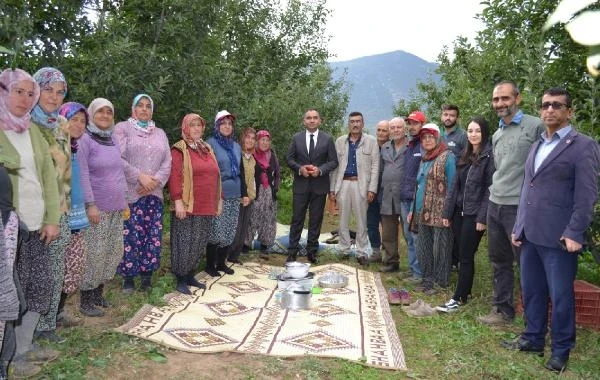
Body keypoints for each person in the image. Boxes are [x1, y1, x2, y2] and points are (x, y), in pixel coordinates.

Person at [506, 88, 600, 372]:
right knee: (532, 291)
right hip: (530, 233)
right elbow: (527, 189)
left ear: (569, 112)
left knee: (560, 296)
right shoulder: (537, 144)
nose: (549, 110)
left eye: (557, 105)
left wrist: (574, 231)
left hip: (560, 238)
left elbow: (587, 195)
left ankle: (561, 349)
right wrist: (518, 225)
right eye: (545, 105)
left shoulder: (583, 146)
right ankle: (533, 338)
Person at [0, 68, 60, 378]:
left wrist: (52, 218)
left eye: (29, 93)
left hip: (38, 226)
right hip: (9, 230)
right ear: (4, 91)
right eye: (17, 92)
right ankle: (11, 358)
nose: (24, 99)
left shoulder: (31, 130)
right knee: (12, 294)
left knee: (40, 287)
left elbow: (48, 177)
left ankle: (25, 348)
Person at [477, 81, 545, 326]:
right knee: (499, 260)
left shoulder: (535, 126)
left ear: (518, 98)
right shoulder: (497, 134)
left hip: (520, 206)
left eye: (505, 98)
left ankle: (534, 317)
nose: (500, 104)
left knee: (527, 262)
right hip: (496, 202)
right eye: (496, 100)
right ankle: (502, 310)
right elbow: (500, 169)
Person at [114, 94, 171, 294]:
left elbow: (167, 162)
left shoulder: (160, 133)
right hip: (131, 192)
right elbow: (117, 158)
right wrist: (140, 177)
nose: (144, 109)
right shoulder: (122, 129)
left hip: (154, 193)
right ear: (133, 109)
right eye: (140, 106)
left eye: (148, 106)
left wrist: (153, 182)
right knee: (130, 235)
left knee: (152, 234)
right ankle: (128, 278)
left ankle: (146, 277)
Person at [30, 67, 71, 344]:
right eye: (48, 90)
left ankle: (46, 324)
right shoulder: (23, 123)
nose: (54, 97)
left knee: (56, 270)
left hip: (61, 209)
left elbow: (66, 171)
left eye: (60, 92)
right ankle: (25, 332)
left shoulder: (62, 125)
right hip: (33, 212)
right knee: (32, 274)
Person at [437, 117, 494, 312]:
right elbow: (455, 186)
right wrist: (447, 211)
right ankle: (465, 292)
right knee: (462, 253)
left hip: (474, 214)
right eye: (470, 131)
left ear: (484, 133)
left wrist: (482, 217)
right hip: (458, 213)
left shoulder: (489, 156)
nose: (473, 134)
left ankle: (458, 298)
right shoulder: (465, 155)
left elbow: (489, 189)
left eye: (477, 130)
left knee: (466, 256)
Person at [78, 98, 127, 317]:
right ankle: (86, 300)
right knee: (94, 254)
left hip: (116, 207)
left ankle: (98, 294)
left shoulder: (114, 139)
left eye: (109, 111)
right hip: (97, 208)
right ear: (91, 114)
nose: (105, 115)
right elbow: (83, 174)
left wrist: (124, 201)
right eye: (100, 112)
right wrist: (90, 205)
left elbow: (118, 171)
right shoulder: (85, 140)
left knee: (111, 251)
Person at [169, 113, 221, 294]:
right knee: (184, 242)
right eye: (192, 125)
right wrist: (177, 201)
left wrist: (218, 200)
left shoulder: (206, 148)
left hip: (206, 204)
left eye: (199, 125)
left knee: (199, 241)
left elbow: (215, 175)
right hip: (188, 205)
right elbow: (175, 176)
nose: (197, 129)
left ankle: (190, 274)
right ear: (185, 128)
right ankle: (180, 278)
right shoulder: (179, 149)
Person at [408, 123, 456, 295]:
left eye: (431, 137)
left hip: (440, 212)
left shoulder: (447, 157)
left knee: (440, 248)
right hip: (422, 211)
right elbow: (418, 185)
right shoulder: (425, 158)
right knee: (424, 248)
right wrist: (412, 210)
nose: (427, 140)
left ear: (437, 138)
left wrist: (448, 212)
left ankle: (440, 283)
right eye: (424, 137)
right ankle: (427, 280)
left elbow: (452, 186)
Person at [286, 109, 338, 264]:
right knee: (297, 219)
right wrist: (300, 169)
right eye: (308, 118)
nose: (312, 120)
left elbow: (334, 161)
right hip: (301, 185)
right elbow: (289, 159)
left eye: (315, 118)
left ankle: (312, 251)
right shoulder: (297, 138)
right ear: (304, 121)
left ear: (320, 121)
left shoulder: (327, 139)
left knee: (315, 220)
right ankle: (292, 251)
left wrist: (320, 170)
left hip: (319, 186)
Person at [329, 111, 379, 266]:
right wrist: (332, 188)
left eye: (358, 121)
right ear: (348, 124)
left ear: (363, 124)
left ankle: (362, 251)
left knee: (361, 220)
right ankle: (343, 249)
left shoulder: (371, 141)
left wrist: (372, 189)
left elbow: (376, 166)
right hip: (343, 183)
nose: (355, 124)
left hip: (361, 184)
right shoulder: (340, 141)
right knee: (342, 219)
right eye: (352, 121)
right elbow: (335, 166)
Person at [56, 102, 90, 327]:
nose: (78, 124)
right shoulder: (56, 147)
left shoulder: (74, 148)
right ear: (62, 120)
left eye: (82, 121)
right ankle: (47, 319)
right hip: (59, 218)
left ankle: (58, 313)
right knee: (57, 269)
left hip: (77, 218)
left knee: (72, 267)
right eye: (73, 119)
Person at [206, 110, 241, 276]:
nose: (227, 126)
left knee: (229, 229)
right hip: (218, 193)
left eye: (229, 123)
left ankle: (221, 263)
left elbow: (240, 170)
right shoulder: (210, 144)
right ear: (217, 125)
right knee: (216, 229)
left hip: (235, 192)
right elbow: (209, 170)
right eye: (223, 123)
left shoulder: (236, 146)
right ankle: (210, 265)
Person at [399, 111, 426, 282]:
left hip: (416, 198)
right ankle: (413, 268)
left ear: (422, 124)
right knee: (408, 236)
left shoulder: (424, 144)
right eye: (409, 123)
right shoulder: (410, 145)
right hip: (405, 195)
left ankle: (420, 273)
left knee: (416, 237)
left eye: (415, 123)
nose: (411, 126)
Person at [440, 104, 467, 270]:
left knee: (455, 226)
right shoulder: (438, 135)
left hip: (456, 187)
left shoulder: (463, 136)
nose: (448, 118)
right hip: (437, 187)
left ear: (457, 118)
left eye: (451, 115)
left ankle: (455, 262)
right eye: (445, 114)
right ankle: (444, 259)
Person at [379, 117, 407, 272]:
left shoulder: (412, 146)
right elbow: (382, 169)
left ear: (405, 129)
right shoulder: (385, 147)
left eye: (399, 127)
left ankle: (416, 265)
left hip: (405, 193)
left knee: (409, 231)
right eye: (393, 127)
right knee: (388, 230)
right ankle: (391, 261)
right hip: (387, 192)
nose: (396, 130)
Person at [247, 130, 281, 257]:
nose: (265, 143)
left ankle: (265, 244)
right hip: (255, 190)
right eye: (262, 140)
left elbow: (277, 173)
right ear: (257, 141)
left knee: (268, 217)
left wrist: (275, 188)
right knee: (252, 216)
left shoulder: (272, 155)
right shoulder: (251, 154)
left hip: (269, 191)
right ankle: (246, 243)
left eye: (267, 140)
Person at [227, 127, 256, 263]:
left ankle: (235, 256)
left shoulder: (252, 159)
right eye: (247, 137)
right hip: (237, 197)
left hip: (250, 198)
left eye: (252, 138)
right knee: (235, 228)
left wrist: (252, 195)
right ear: (242, 138)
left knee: (243, 229)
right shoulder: (237, 155)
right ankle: (225, 256)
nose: (250, 140)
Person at [367, 120, 389, 263]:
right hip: (371, 190)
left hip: (386, 191)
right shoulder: (371, 146)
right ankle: (375, 251)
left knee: (387, 224)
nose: (380, 133)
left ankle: (389, 253)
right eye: (379, 130)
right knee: (371, 222)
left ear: (389, 133)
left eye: (384, 130)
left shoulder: (391, 148)